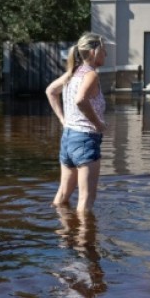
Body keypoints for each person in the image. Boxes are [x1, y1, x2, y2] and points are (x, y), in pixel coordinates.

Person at [45, 32, 108, 213]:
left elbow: (50, 91)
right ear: (94, 51)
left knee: (62, 195)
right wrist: (97, 124)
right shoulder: (91, 75)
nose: (106, 55)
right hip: (86, 140)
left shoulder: (72, 73)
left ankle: (63, 239)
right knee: (86, 201)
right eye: (104, 51)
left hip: (68, 138)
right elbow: (81, 100)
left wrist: (63, 120)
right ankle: (85, 242)